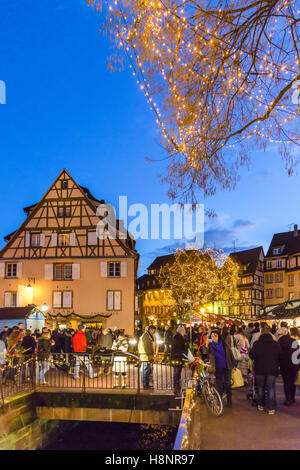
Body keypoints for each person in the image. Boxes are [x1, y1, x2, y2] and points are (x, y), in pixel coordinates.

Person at [249, 324, 282, 415]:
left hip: (259, 369)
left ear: (261, 333)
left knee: (260, 388)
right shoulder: (275, 344)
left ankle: (261, 405)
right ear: (270, 333)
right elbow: (280, 355)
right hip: (272, 369)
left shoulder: (257, 343)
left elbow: (251, 355)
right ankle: (271, 408)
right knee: (271, 388)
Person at [207, 328, 235, 407]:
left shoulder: (224, 344)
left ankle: (229, 401)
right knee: (218, 384)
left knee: (228, 384)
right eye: (212, 336)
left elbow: (230, 354)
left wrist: (233, 364)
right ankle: (219, 401)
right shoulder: (210, 346)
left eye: (215, 336)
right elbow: (206, 355)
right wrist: (206, 346)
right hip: (217, 367)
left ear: (219, 336)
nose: (214, 338)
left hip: (226, 367)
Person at [277, 327, 299, 406]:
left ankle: (288, 399)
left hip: (284, 365)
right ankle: (292, 398)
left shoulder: (279, 342)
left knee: (286, 382)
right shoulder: (294, 341)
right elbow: (297, 355)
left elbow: (278, 355)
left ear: (281, 334)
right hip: (294, 364)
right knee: (292, 382)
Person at [138, 325, 156, 390]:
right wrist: (152, 356)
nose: (154, 332)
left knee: (146, 371)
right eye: (153, 331)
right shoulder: (146, 336)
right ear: (150, 330)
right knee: (145, 372)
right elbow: (146, 348)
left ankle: (146, 385)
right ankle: (145, 386)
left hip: (146, 356)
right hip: (146, 357)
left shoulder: (147, 335)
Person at [171, 326, 187, 396]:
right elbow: (180, 349)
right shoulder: (179, 338)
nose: (184, 333)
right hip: (177, 358)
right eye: (184, 332)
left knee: (177, 373)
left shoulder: (177, 338)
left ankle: (177, 386)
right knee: (177, 373)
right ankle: (176, 387)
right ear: (181, 332)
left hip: (177, 358)